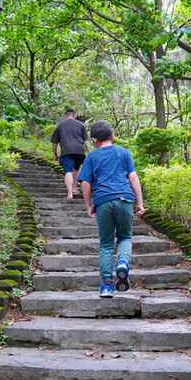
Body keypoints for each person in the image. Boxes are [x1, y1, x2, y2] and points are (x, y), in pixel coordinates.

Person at [78, 121, 147, 298]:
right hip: (124, 199)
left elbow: (85, 183)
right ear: (113, 137)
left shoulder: (91, 157)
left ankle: (106, 286)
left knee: (106, 244)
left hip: (103, 201)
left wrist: (89, 205)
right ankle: (123, 263)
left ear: (94, 141)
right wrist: (139, 203)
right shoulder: (124, 153)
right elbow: (133, 177)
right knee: (125, 236)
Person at [51, 109, 91, 199]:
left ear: (65, 116)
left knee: (68, 171)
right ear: (74, 116)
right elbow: (86, 141)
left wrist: (55, 153)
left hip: (66, 150)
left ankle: (70, 194)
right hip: (79, 151)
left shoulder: (60, 125)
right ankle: (74, 189)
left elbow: (54, 143)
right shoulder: (81, 125)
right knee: (77, 168)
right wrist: (90, 153)